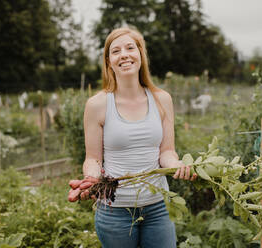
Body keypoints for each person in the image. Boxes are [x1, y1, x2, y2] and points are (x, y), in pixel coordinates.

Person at [71, 27, 197, 248]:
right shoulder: (97, 105)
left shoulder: (162, 99)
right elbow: (93, 158)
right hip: (114, 211)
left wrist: (176, 164)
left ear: (140, 55)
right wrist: (91, 179)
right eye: (116, 51)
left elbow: (166, 151)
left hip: (158, 207)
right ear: (109, 62)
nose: (124, 55)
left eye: (130, 48)